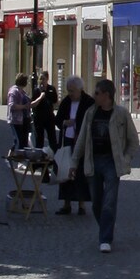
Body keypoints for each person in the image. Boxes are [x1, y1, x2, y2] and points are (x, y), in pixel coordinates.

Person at [68, 77, 139, 252]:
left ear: (106, 95)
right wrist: (74, 163)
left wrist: (126, 159)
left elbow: (134, 140)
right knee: (97, 202)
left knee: (109, 201)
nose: (94, 96)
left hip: (112, 162)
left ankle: (105, 238)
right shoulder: (91, 113)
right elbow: (82, 139)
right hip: (93, 161)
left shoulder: (121, 114)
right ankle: (106, 227)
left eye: (97, 93)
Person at [56, 76, 91, 216]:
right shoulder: (66, 102)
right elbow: (57, 119)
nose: (70, 93)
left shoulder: (88, 102)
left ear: (80, 90)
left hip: (82, 143)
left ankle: (82, 204)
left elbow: (91, 121)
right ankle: (66, 203)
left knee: (80, 173)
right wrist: (65, 122)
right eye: (68, 91)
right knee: (65, 172)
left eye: (72, 91)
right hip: (68, 141)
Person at [33, 77, 59, 153]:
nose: (42, 81)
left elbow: (55, 101)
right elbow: (33, 103)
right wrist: (41, 97)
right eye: (40, 79)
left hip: (49, 117)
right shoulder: (36, 90)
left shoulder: (51, 89)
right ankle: (38, 159)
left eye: (43, 79)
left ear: (47, 79)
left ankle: (54, 157)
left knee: (52, 139)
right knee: (39, 140)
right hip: (38, 117)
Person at [7, 75, 33, 150]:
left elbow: (29, 102)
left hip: (23, 120)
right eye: (26, 81)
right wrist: (24, 106)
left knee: (23, 142)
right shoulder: (14, 91)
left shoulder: (22, 92)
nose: (27, 83)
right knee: (18, 141)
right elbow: (12, 105)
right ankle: (12, 157)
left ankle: (18, 157)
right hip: (15, 120)